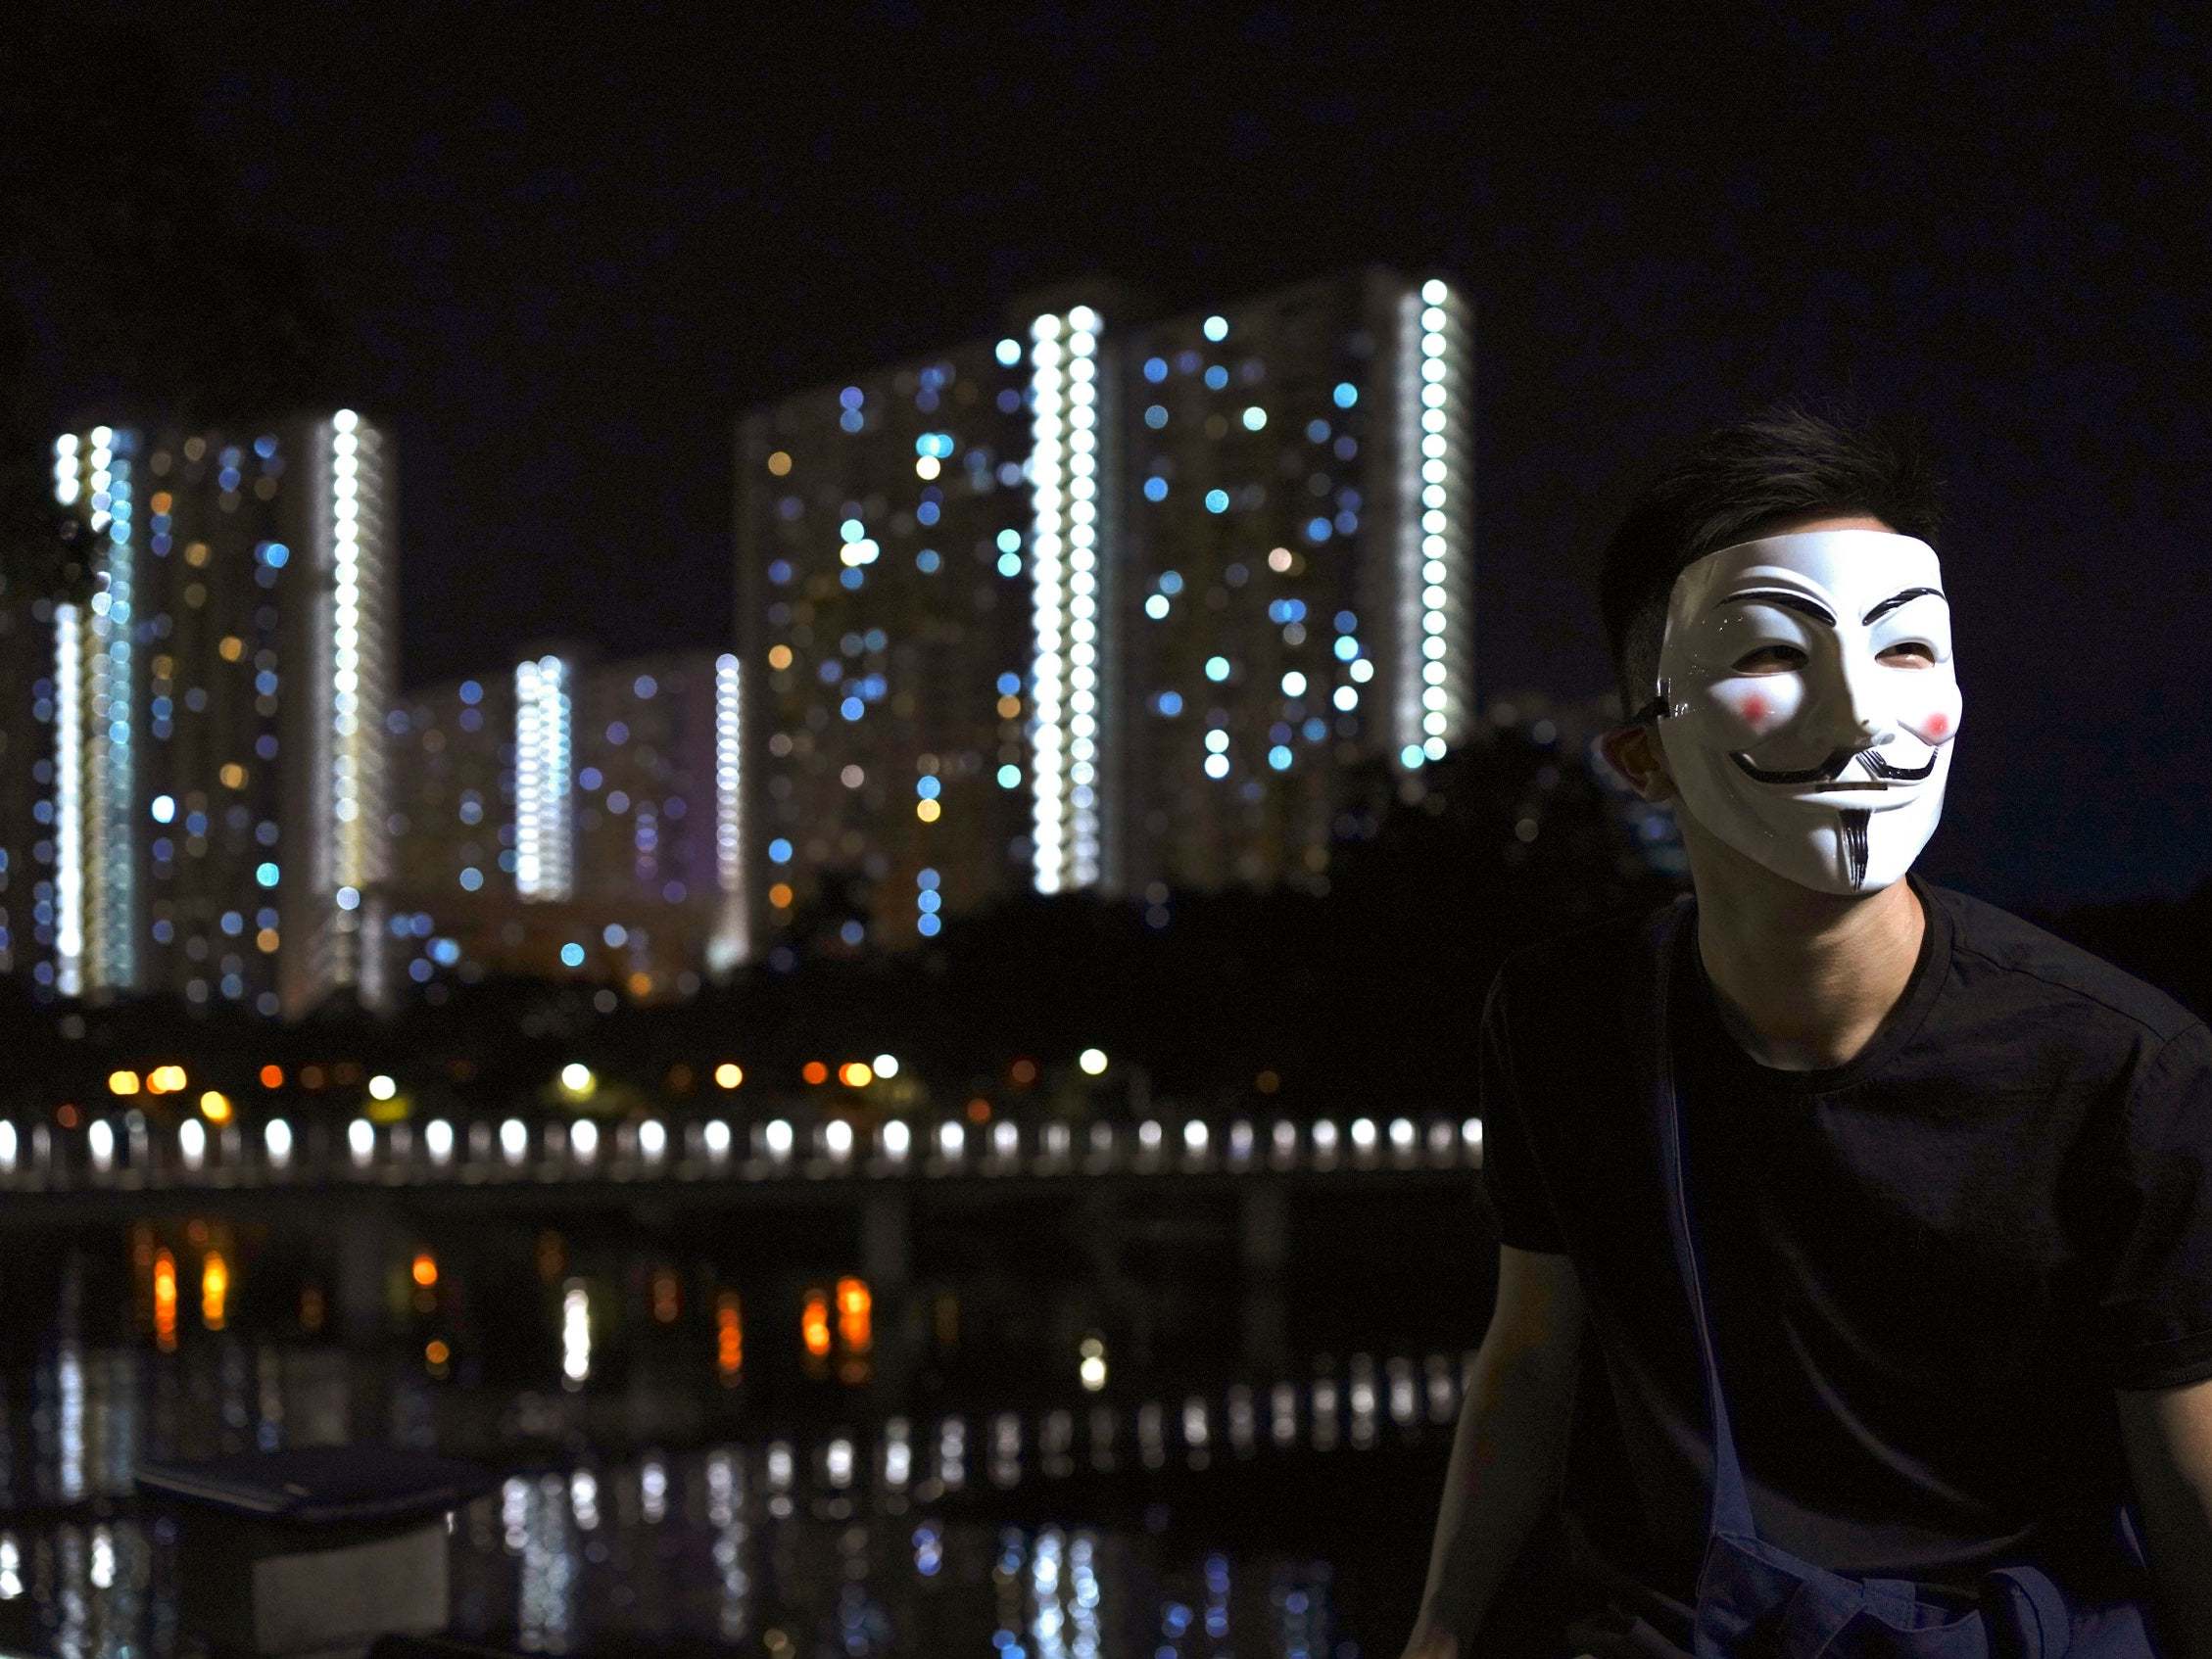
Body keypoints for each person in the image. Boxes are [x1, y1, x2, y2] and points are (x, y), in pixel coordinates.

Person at [1400, 405, 2212, 1659]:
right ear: (1641, 756)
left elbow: (2185, 1472)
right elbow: (1530, 1353)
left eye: (1903, 652)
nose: (1856, 714)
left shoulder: (2118, 1068)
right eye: (1770, 649)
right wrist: (1441, 1630)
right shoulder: (1563, 1019)